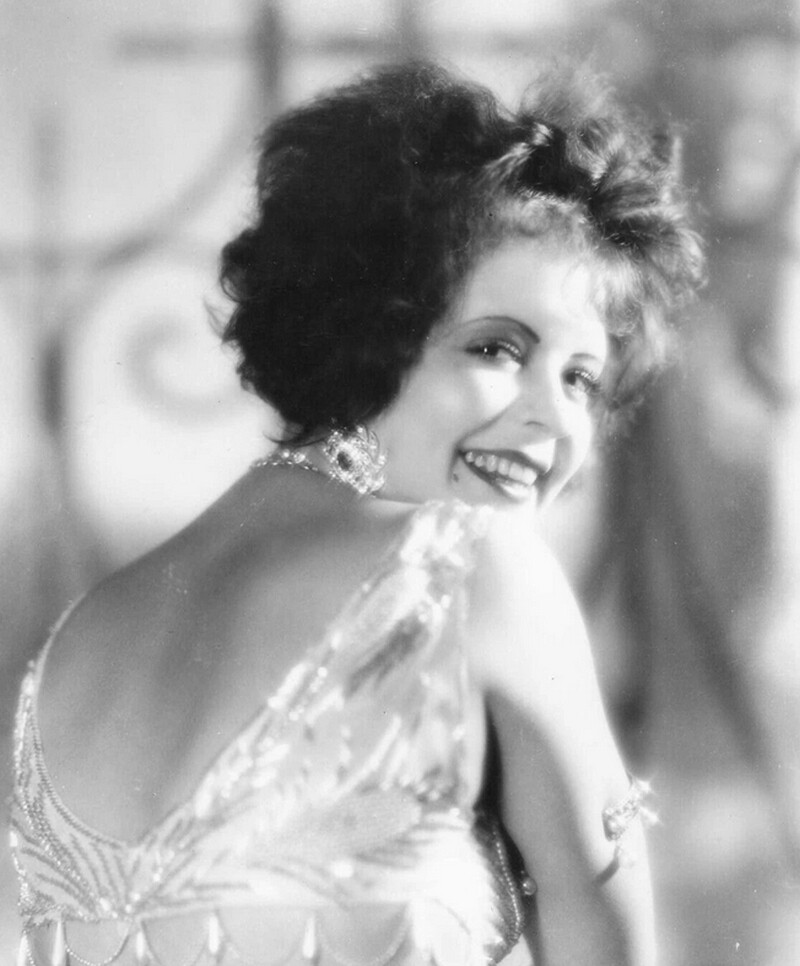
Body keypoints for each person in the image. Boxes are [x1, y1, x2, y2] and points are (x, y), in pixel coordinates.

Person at [9, 62, 703, 966]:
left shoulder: (75, 645)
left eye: (581, 379)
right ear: (373, 326)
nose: (555, 420)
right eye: (498, 349)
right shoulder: (464, 566)